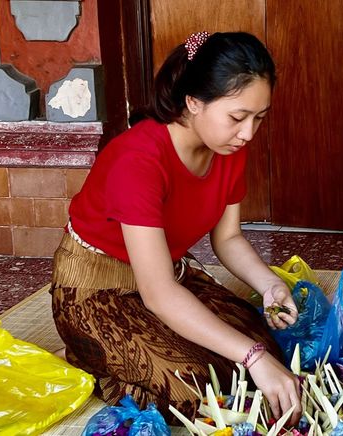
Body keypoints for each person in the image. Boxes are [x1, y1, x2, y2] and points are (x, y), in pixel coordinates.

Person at [50, 31, 302, 424]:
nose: (248, 133)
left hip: (166, 275)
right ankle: (86, 353)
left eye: (259, 118)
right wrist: (252, 359)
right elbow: (160, 293)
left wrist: (270, 285)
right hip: (96, 286)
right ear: (193, 102)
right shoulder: (137, 160)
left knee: (262, 344)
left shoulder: (228, 148)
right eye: (237, 117)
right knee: (198, 392)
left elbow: (229, 238)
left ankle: (120, 348)